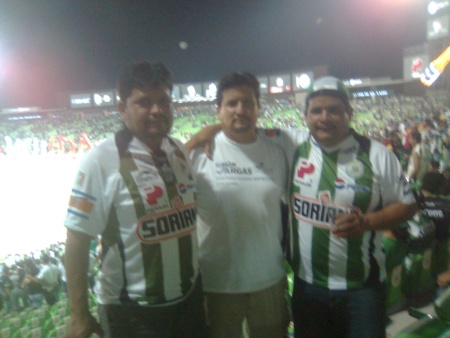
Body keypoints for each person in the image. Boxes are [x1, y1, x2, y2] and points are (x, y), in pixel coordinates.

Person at [187, 76, 417, 338]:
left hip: (362, 288)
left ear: (349, 113)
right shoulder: (291, 143)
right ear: (305, 116)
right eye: (316, 110)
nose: (324, 117)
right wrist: (208, 130)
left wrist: (368, 222)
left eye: (334, 110)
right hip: (308, 286)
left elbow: (407, 205)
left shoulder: (377, 155)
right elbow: (239, 126)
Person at [64, 62, 206, 338]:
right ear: (122, 109)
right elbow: (77, 240)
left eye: (163, 100)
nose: (157, 110)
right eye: (144, 102)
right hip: (131, 315)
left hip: (190, 301)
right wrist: (79, 314)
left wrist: (206, 132)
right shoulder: (100, 161)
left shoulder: (178, 149)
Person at [188, 72, 290, 338]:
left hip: (269, 280)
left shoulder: (277, 153)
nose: (240, 110)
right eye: (232, 104)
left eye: (248, 103)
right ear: (218, 111)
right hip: (217, 284)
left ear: (258, 108)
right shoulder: (197, 155)